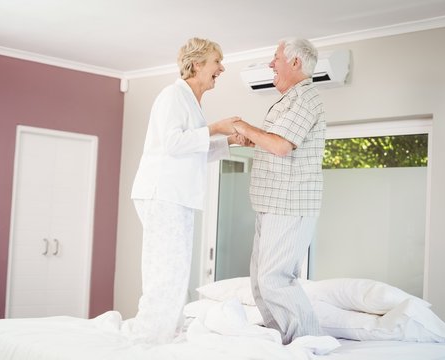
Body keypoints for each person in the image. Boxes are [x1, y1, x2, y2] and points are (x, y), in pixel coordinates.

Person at [129, 37, 244, 344]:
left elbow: (192, 149)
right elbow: (174, 144)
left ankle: (164, 333)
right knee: (165, 270)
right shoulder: (172, 96)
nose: (222, 68)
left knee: (176, 270)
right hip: (163, 194)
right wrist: (216, 129)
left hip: (176, 196)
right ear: (197, 65)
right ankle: (147, 339)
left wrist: (227, 141)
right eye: (217, 62)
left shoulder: (191, 102)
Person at [233, 37, 326, 345]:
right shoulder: (291, 100)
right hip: (271, 203)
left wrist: (244, 127)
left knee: (274, 278)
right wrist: (254, 139)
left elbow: (282, 146)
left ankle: (310, 343)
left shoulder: (307, 98)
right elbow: (273, 142)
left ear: (295, 63)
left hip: (289, 203)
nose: (271, 64)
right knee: (260, 282)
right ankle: (279, 340)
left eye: (276, 58)